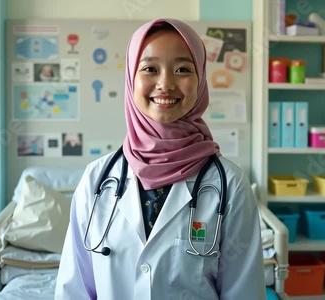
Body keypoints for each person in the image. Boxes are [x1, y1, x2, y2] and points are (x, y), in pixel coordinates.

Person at [55, 18, 265, 300]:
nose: (165, 84)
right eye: (150, 69)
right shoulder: (97, 178)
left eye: (182, 69)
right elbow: (74, 289)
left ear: (201, 79)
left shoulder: (230, 185)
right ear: (131, 78)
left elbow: (243, 291)